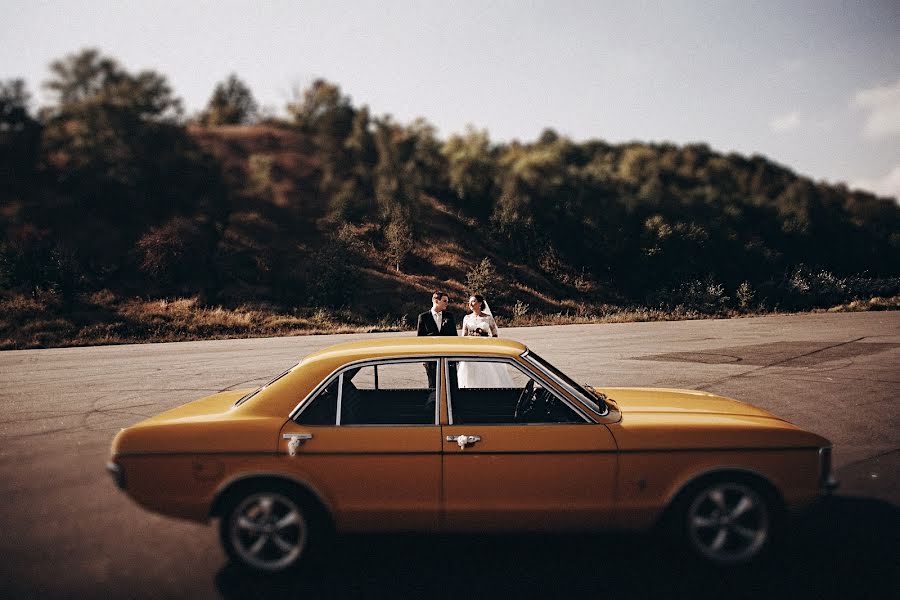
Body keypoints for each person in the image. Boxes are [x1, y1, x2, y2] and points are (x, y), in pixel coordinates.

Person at [457, 294, 514, 388]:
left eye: (473, 301)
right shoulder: (466, 318)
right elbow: (464, 335)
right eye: (470, 301)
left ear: (480, 303)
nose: (470, 303)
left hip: (484, 348)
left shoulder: (488, 318)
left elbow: (495, 334)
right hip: (470, 349)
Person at [417, 290, 457, 387]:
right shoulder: (423, 317)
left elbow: (454, 337)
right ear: (436, 301)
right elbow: (420, 339)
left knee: (452, 384)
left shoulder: (449, 316)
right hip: (431, 357)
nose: (447, 303)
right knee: (433, 385)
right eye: (444, 301)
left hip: (448, 356)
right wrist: (424, 358)